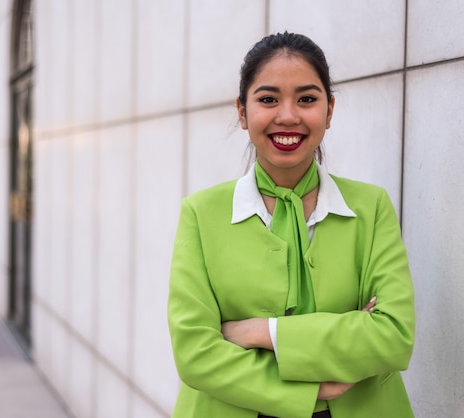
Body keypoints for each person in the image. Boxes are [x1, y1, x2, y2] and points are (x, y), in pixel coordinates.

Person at [167, 32, 415, 418]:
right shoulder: (201, 213)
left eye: (307, 99)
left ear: (329, 110)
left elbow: (394, 337)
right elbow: (195, 355)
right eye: (268, 99)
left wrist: (257, 332)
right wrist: (320, 382)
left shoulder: (371, 207)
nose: (288, 116)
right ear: (242, 111)